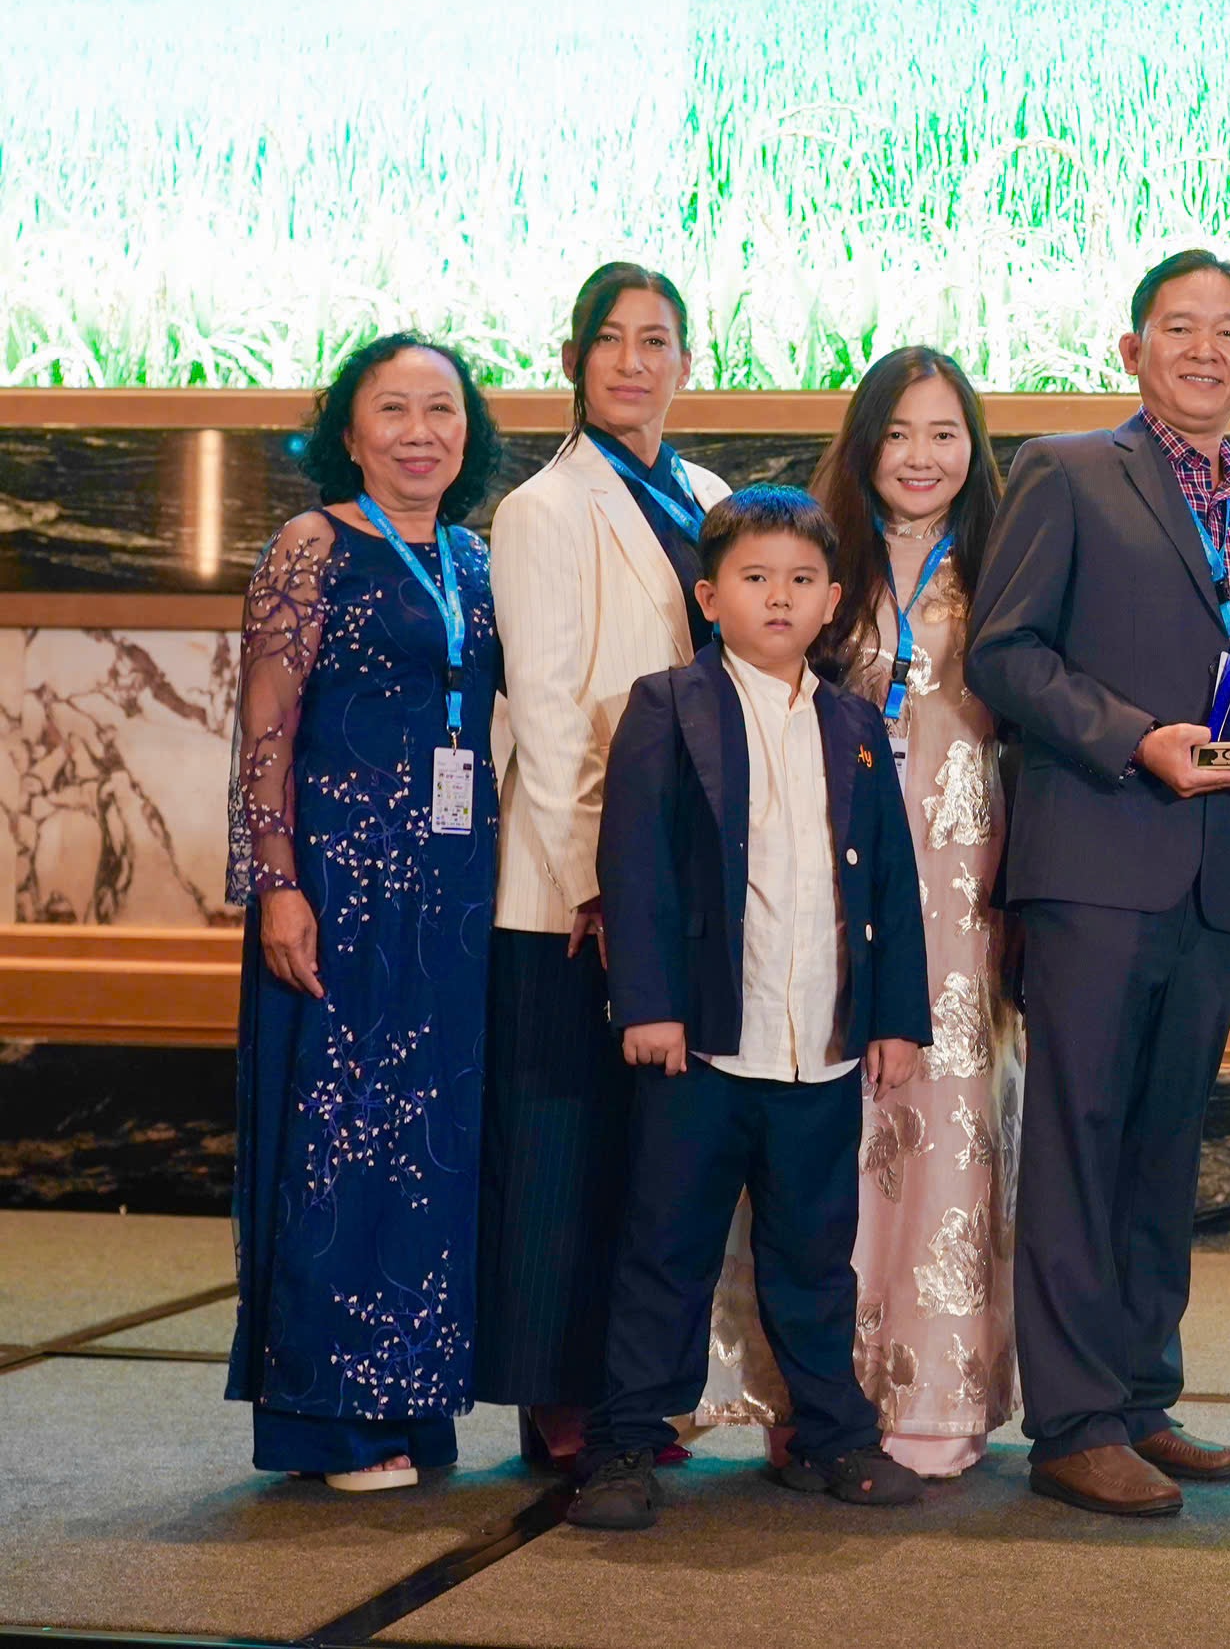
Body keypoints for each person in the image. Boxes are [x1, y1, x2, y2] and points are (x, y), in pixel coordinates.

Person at [968, 250, 1230, 1516]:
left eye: (1228, 331)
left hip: (1218, 874)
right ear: (1132, 349)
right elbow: (1005, 652)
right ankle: (1071, 1421)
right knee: (1078, 1138)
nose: (1204, 349)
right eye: (1179, 327)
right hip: (1097, 860)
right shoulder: (1067, 471)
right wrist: (1131, 737)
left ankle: (1140, 1393)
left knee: (1165, 1147)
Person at [564, 486, 934, 1531]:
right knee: (666, 1249)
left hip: (820, 1046)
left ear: (831, 601)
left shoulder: (854, 723)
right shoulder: (665, 704)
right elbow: (634, 863)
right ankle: (624, 1441)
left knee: (814, 1258)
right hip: (703, 1044)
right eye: (756, 577)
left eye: (802, 580)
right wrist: (650, 1003)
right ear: (709, 596)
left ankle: (833, 1433)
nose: (780, 597)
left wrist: (895, 1017)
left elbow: (890, 881)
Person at [690, 347, 1021, 1477]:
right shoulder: (817, 558)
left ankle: (935, 1396)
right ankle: (811, 1392)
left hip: (968, 886)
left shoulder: (1006, 556)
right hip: (830, 877)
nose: (921, 457)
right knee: (827, 1131)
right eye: (898, 433)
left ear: (972, 446)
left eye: (944, 434)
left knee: (952, 1120)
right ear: (863, 443)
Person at [227, 333, 504, 1489]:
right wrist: (277, 883)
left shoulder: (475, 557)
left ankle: (411, 1403)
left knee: (427, 1147)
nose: (419, 432)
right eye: (393, 409)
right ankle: (329, 1418)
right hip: (339, 886)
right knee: (336, 1140)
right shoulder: (311, 545)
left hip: (449, 895)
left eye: (441, 409)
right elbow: (264, 731)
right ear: (350, 430)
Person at [478, 262, 731, 1469]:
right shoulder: (542, 509)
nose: (634, 361)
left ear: (688, 360)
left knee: (655, 1159)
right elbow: (548, 710)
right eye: (611, 340)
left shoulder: (712, 494)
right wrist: (599, 882)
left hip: (690, 879)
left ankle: (635, 1385)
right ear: (574, 359)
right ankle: (557, 1393)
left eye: (656, 339)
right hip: (572, 893)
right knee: (562, 1147)